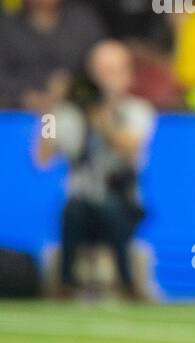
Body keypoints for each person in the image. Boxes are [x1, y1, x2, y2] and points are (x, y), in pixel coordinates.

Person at [35, 40, 156, 300]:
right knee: (76, 207)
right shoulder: (70, 114)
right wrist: (51, 107)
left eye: (112, 72)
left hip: (121, 205)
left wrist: (101, 114)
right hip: (80, 209)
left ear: (127, 76)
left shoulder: (137, 110)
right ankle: (65, 285)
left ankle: (128, 284)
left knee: (109, 208)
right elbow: (42, 158)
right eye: (99, 72)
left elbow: (128, 147)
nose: (104, 79)